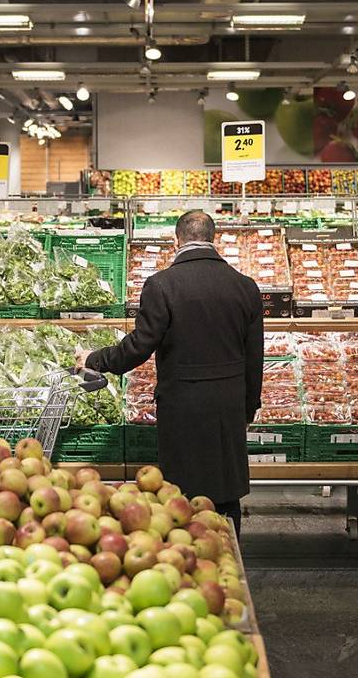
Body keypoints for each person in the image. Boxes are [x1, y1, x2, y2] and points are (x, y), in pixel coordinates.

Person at [76, 211, 263, 536]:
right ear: (212, 238)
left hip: (182, 406)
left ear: (176, 241)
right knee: (225, 491)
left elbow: (138, 347)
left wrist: (95, 359)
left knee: (182, 495)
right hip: (227, 404)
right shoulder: (246, 287)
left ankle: (190, 561)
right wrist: (248, 407)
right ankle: (231, 559)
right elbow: (254, 359)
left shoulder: (161, 285)